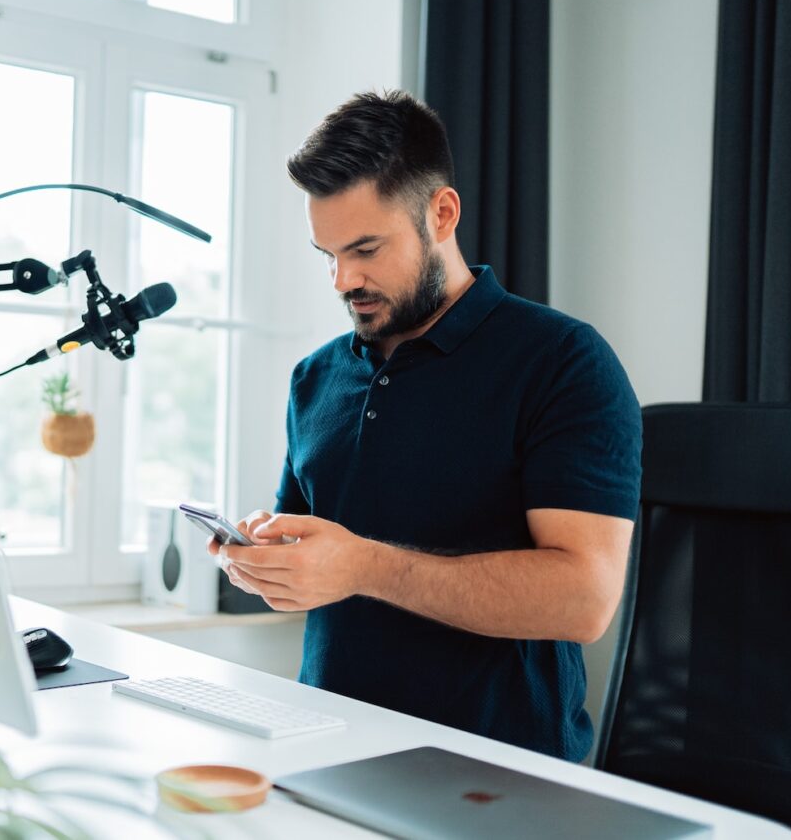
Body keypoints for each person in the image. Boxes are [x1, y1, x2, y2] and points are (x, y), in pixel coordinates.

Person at [210, 90, 641, 762]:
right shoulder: (314, 377)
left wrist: (363, 565)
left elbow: (584, 598)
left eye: (365, 249)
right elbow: (313, 570)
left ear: (441, 213)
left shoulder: (563, 361)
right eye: (327, 253)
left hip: (496, 776)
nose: (342, 279)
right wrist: (263, 563)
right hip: (325, 753)